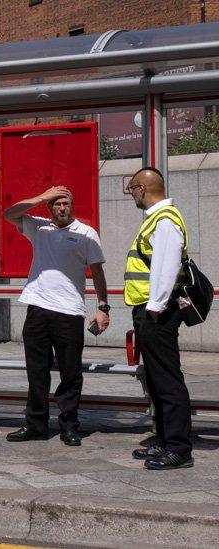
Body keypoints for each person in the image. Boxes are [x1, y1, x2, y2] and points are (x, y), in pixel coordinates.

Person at [3, 186, 109, 446]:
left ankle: (69, 427)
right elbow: (9, 214)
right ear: (50, 207)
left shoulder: (86, 234)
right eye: (57, 203)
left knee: (70, 373)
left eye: (66, 203)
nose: (63, 208)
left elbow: (97, 273)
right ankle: (35, 425)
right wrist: (41, 197)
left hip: (70, 312)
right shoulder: (39, 228)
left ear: (72, 206)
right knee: (36, 372)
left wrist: (103, 307)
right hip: (37, 309)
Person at [124, 167, 194, 470]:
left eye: (131, 189)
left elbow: (166, 266)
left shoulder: (165, 220)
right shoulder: (157, 218)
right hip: (151, 311)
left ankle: (179, 448)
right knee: (156, 379)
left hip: (158, 313)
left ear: (142, 188)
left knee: (167, 380)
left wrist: (155, 306)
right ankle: (165, 441)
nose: (132, 196)